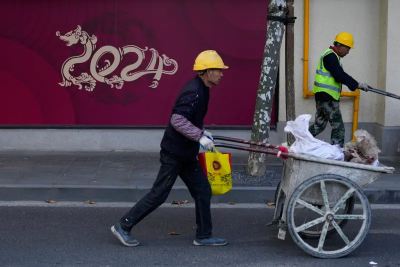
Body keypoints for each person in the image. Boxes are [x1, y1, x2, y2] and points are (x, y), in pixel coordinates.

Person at [111, 50, 229, 247]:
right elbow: (178, 120)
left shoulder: (203, 88)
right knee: (158, 194)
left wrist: (202, 132)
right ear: (208, 71)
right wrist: (199, 136)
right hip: (174, 154)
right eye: (219, 70)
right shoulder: (195, 91)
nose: (221, 73)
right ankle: (123, 226)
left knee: (203, 191)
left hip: (186, 154)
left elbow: (189, 119)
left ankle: (204, 235)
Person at [308, 32, 370, 147]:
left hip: (323, 96)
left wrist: (356, 84)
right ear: (340, 45)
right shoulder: (330, 56)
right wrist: (357, 84)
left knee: (319, 125)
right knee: (338, 127)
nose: (348, 52)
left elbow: (338, 75)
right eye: (348, 48)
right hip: (327, 97)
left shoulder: (331, 56)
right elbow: (339, 75)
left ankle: (299, 141)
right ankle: (338, 153)